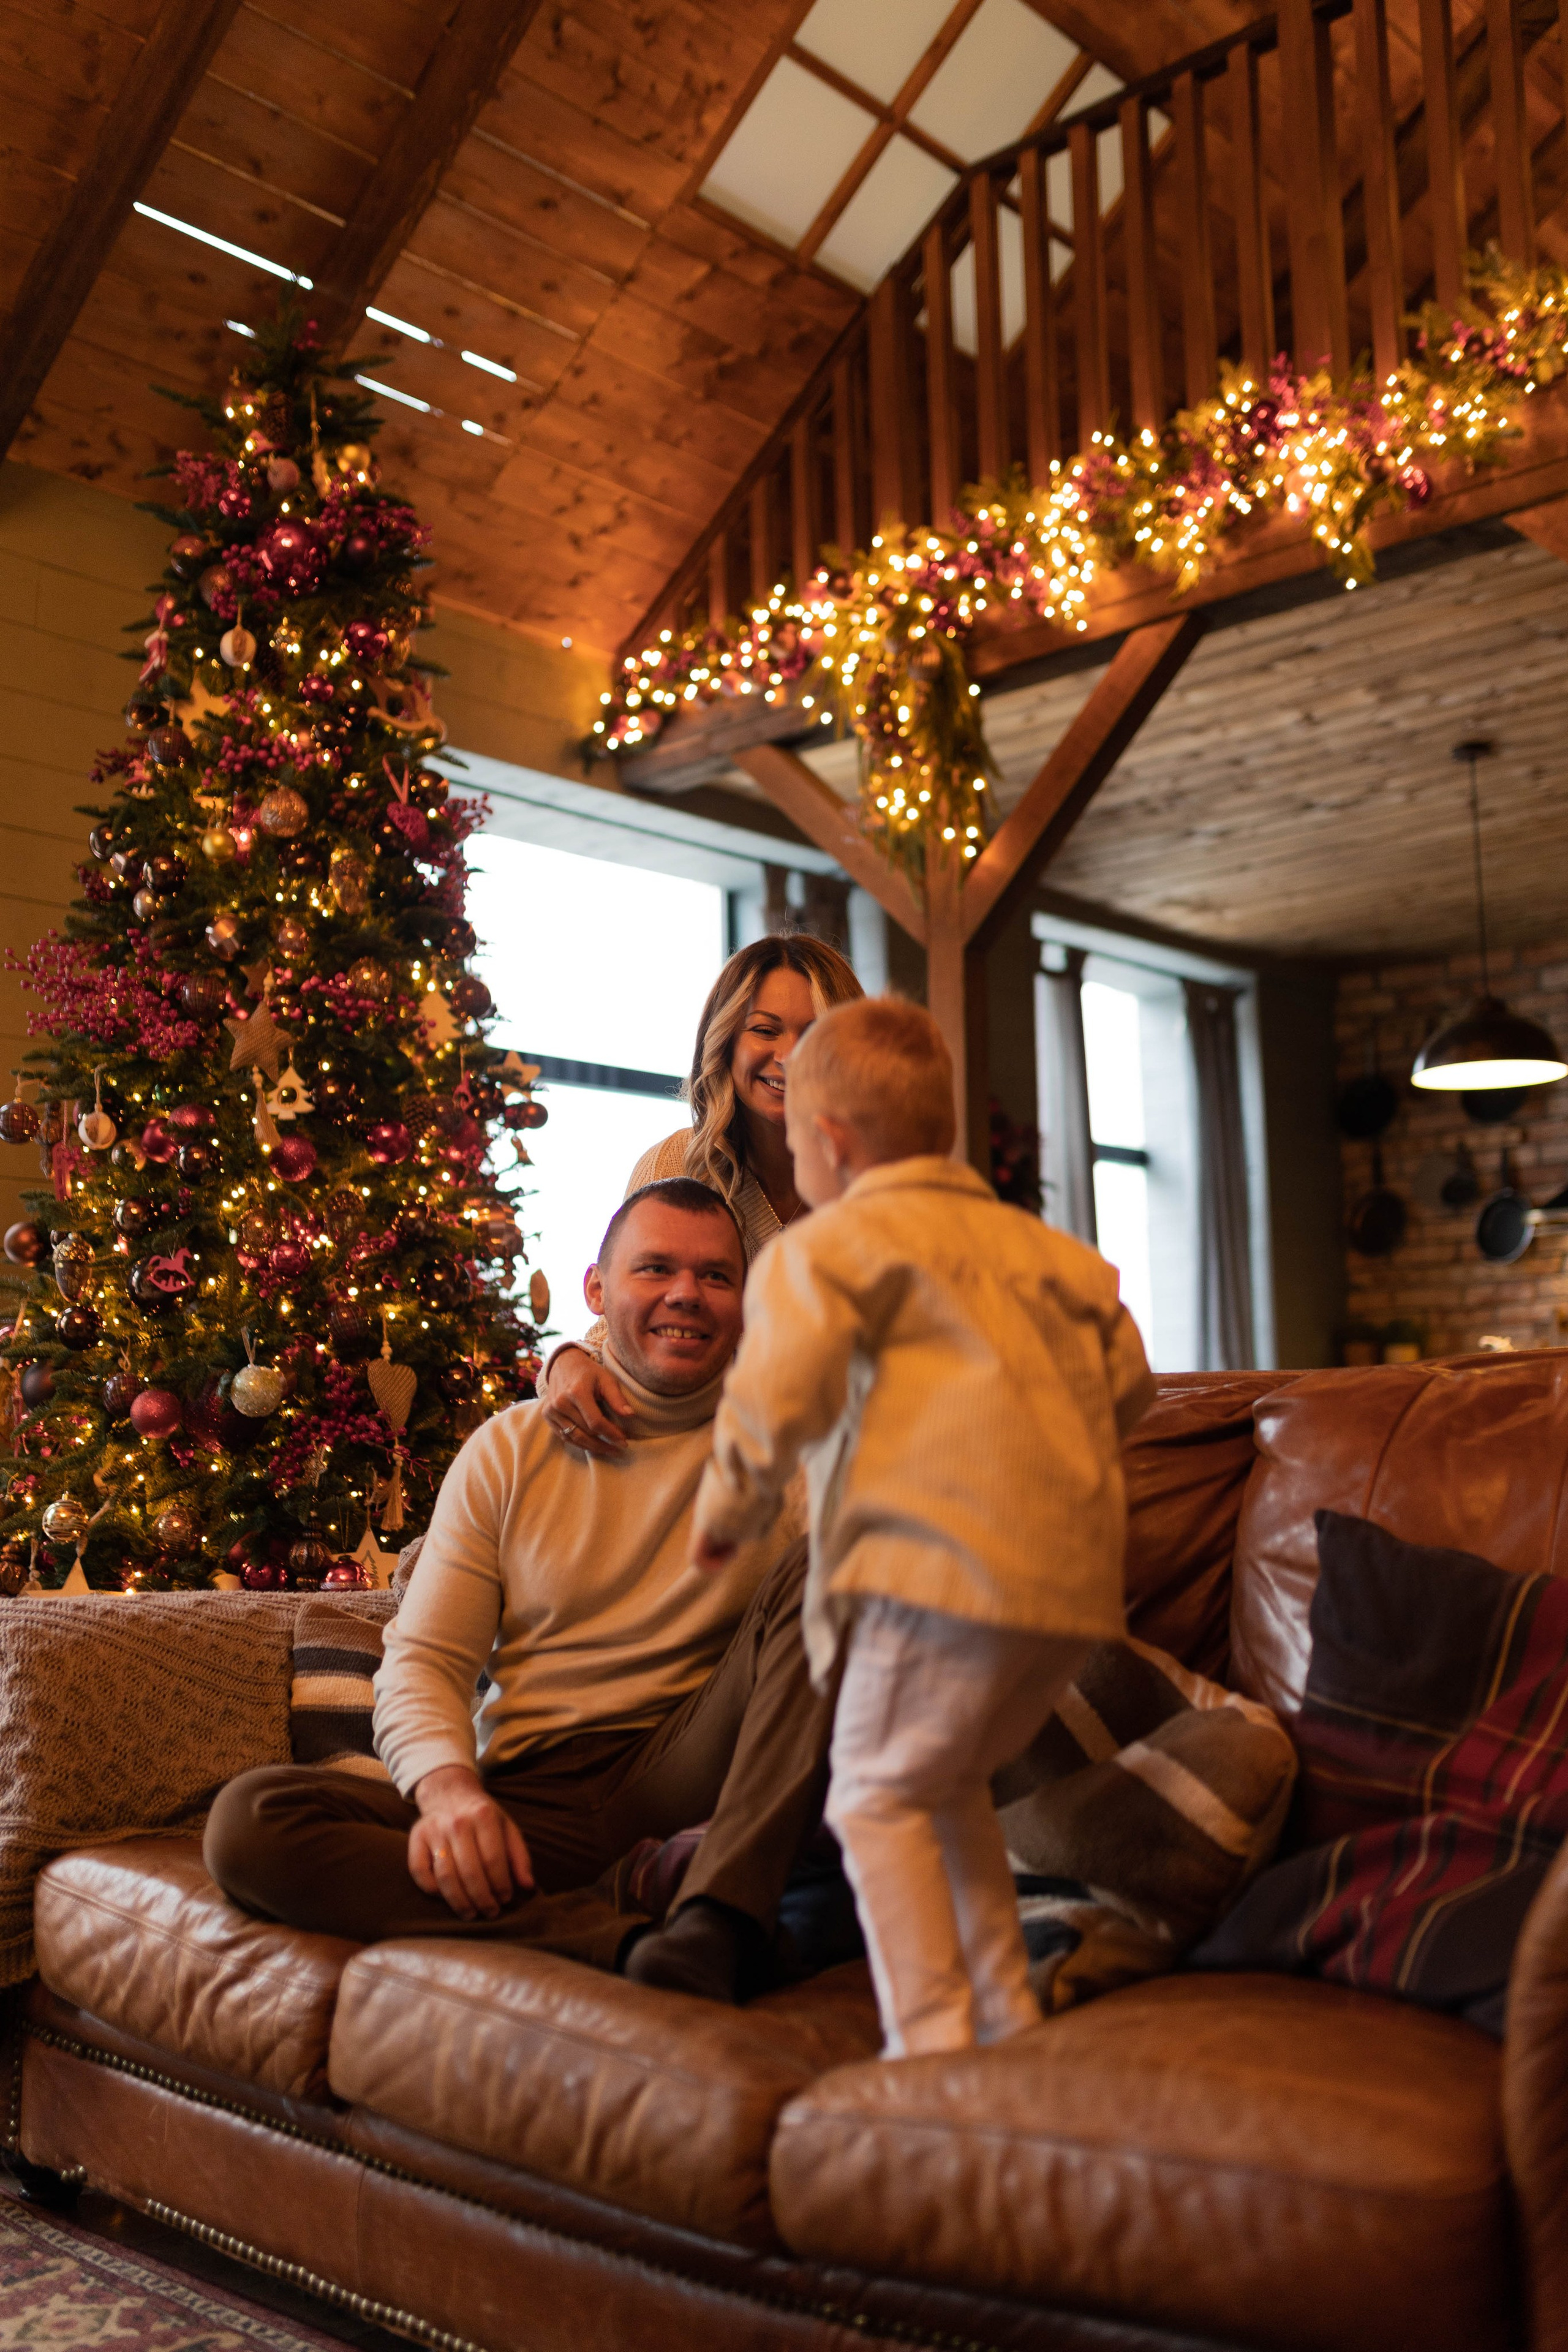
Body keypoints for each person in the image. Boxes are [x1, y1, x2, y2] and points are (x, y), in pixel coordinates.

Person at [205, 1178, 833, 2005]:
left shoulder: (793, 1451)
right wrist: (448, 1793)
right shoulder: (510, 1450)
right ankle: (617, 1934)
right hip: (529, 1798)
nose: (686, 1293)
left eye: (716, 1276)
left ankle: (719, 1918)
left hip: (687, 1767)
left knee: (836, 1563)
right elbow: (426, 1661)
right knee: (252, 1822)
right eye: (655, 1268)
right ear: (597, 1291)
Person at [690, 997, 1156, 2059]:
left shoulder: (829, 1251)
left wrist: (729, 1511)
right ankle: (1001, 2017)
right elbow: (1129, 1388)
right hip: (1067, 1595)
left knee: (873, 1799)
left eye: (799, 1147)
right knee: (944, 1797)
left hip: (932, 1577)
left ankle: (931, 2047)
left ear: (831, 1142)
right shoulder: (1052, 1255)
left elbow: (771, 1399)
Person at [541, 933, 861, 1463]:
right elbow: (625, 1316)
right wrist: (566, 1361)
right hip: (698, 1466)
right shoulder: (678, 1163)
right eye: (765, 1030)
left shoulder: (877, 1186)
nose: (790, 1057)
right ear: (726, 1040)